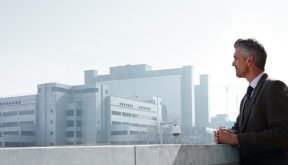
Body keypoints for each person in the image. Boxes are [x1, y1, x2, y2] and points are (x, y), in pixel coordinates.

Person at [214, 38, 288, 165]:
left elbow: (282, 134)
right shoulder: (245, 98)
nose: (233, 63)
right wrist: (225, 134)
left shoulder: (274, 87)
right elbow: (239, 129)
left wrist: (236, 139)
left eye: (236, 58)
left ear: (250, 60)